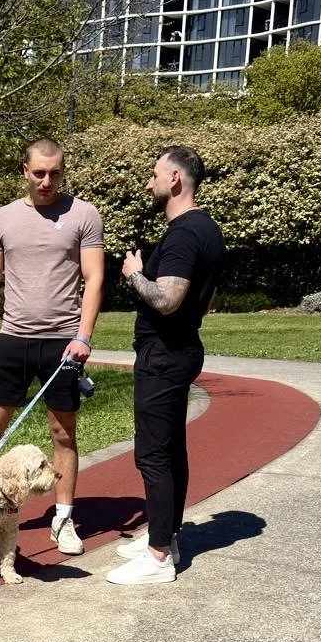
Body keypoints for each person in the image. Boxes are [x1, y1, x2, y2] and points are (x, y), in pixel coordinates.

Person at [0, 138, 105, 555]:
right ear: (25, 171)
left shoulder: (84, 215)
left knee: (62, 434)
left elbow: (94, 279)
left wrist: (83, 336)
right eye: (39, 173)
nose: (47, 181)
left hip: (63, 344)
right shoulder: (2, 219)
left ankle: (63, 520)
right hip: (12, 341)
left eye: (55, 173)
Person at [107, 145, 226, 586]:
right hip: (180, 350)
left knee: (153, 453)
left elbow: (169, 299)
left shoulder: (183, 234)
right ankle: (166, 537)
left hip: (164, 354)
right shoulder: (207, 229)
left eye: (154, 175)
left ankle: (158, 558)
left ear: (175, 179)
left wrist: (134, 274)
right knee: (172, 450)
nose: (148, 183)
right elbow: (204, 299)